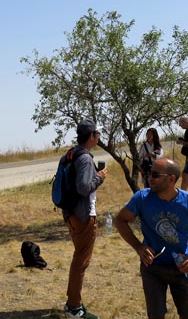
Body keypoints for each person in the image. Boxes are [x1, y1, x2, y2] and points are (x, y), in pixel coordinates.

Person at [114, 158, 188, 319]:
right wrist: (139, 247)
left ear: (171, 179)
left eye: (155, 174)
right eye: (148, 173)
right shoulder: (141, 198)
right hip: (153, 268)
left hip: (181, 267)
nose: (149, 177)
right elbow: (120, 220)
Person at [62, 118, 108, 319]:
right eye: (97, 134)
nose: (98, 137)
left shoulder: (70, 154)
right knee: (81, 262)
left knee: (78, 259)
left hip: (70, 213)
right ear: (91, 136)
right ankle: (74, 307)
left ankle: (72, 302)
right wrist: (100, 177)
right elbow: (83, 187)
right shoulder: (85, 158)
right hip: (83, 216)